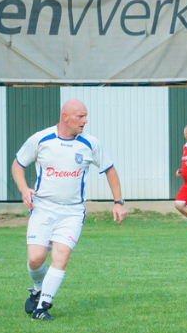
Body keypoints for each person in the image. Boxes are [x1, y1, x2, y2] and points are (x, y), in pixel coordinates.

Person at [11, 99, 126, 321]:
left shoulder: (90, 144)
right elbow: (18, 165)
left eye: (86, 116)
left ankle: (42, 307)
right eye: (80, 116)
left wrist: (118, 202)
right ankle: (37, 289)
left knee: (61, 256)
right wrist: (24, 189)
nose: (85, 121)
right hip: (43, 208)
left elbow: (110, 170)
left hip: (72, 212)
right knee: (35, 259)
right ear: (65, 117)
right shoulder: (41, 139)